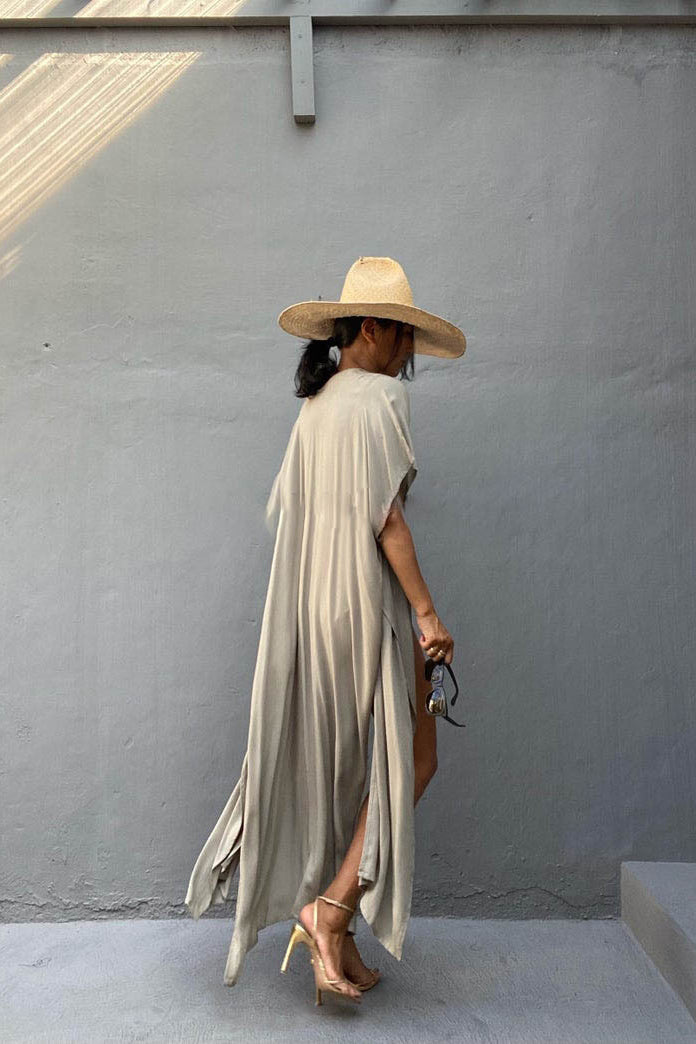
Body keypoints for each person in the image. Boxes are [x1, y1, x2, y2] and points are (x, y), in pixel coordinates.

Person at [185, 256, 467, 1006]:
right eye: (403, 338)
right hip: (365, 603)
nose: (407, 358)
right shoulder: (380, 398)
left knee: (359, 769)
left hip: (312, 609)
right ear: (372, 328)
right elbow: (386, 517)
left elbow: (300, 513)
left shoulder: (316, 406)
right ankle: (331, 911)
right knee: (411, 759)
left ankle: (334, 922)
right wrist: (428, 614)